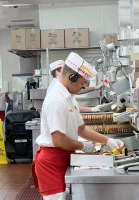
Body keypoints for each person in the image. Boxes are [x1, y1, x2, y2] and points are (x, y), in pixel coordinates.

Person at [33, 52, 124, 200]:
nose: (81, 89)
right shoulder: (56, 100)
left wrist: (107, 140)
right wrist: (83, 147)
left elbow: (80, 128)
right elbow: (59, 140)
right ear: (72, 77)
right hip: (52, 162)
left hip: (64, 156)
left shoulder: (69, 98)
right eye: (81, 84)